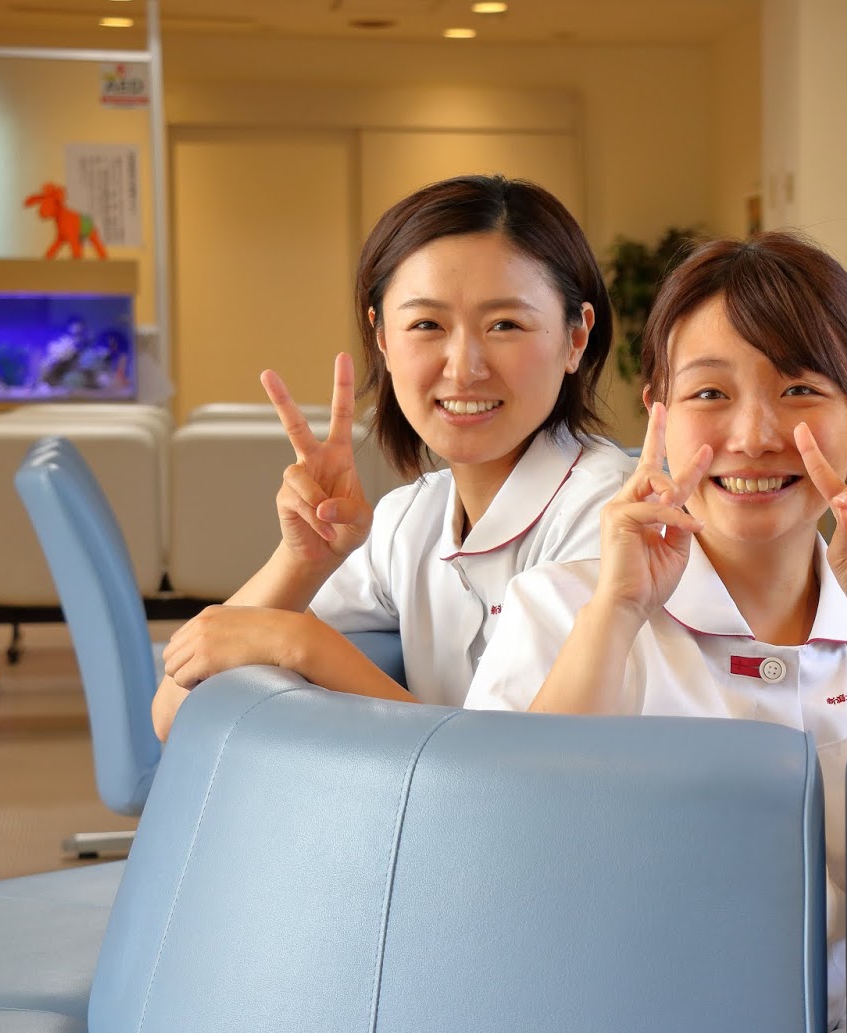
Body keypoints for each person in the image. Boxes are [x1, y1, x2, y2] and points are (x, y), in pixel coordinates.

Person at [464, 232, 847, 1033]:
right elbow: (514, 861)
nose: (753, 433)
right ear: (657, 416)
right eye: (710, 392)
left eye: (800, 388)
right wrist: (618, 610)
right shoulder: (558, 609)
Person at [154, 175, 635, 739]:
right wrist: (303, 560)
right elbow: (175, 712)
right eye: (427, 324)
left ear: (576, 338)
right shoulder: (409, 521)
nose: (464, 367)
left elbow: (513, 774)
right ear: (381, 337)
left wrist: (306, 645)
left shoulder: (614, 519)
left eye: (505, 325)